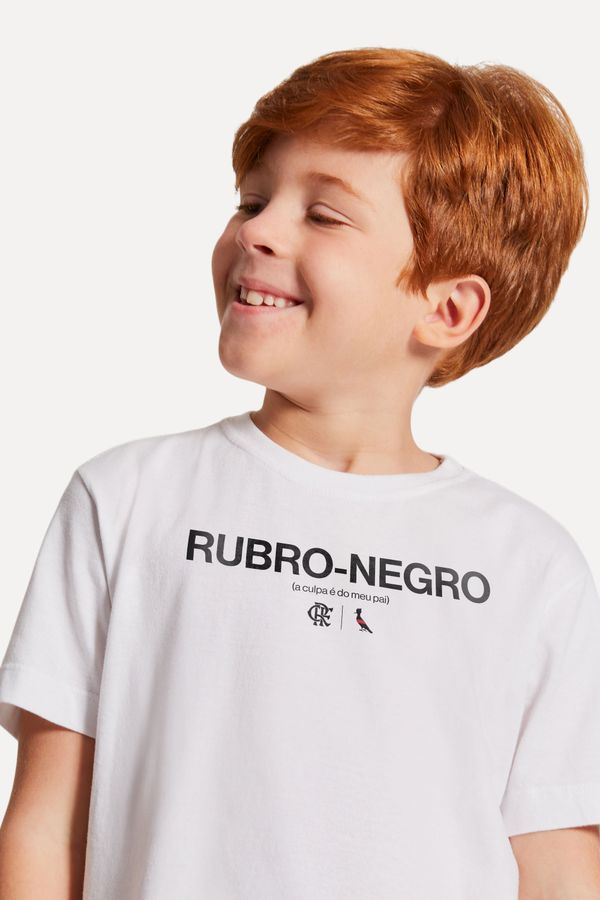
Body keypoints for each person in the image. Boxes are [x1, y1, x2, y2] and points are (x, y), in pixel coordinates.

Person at [1, 46, 599, 900]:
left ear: (448, 308)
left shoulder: (531, 566)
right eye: (252, 200)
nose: (257, 230)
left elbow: (558, 863)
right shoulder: (127, 500)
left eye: (323, 214)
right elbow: (47, 828)